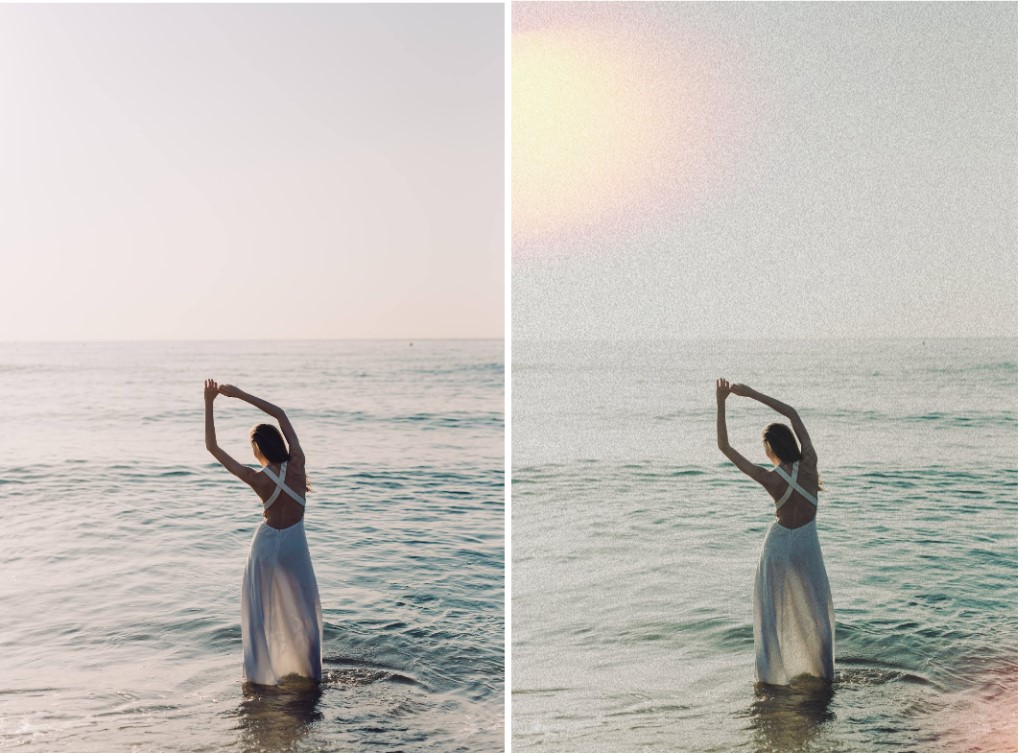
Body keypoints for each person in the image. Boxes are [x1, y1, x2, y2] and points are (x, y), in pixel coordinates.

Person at [204, 379, 323, 686]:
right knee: (304, 610)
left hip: (266, 546)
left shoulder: (257, 478)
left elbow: (212, 448)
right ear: (279, 443)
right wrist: (239, 394)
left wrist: (209, 402)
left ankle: (259, 679)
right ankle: (309, 675)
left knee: (260, 612)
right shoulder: (297, 464)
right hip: (295, 545)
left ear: (256, 448)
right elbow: (280, 414)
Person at [715, 378, 834, 685]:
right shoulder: (810, 463)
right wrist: (751, 394)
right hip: (807, 545)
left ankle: (772, 680)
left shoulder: (770, 478)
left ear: (769, 447)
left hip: (778, 546)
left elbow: (725, 447)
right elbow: (792, 414)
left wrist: (722, 402)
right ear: (791, 443)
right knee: (817, 613)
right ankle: (821, 676)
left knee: (772, 615)